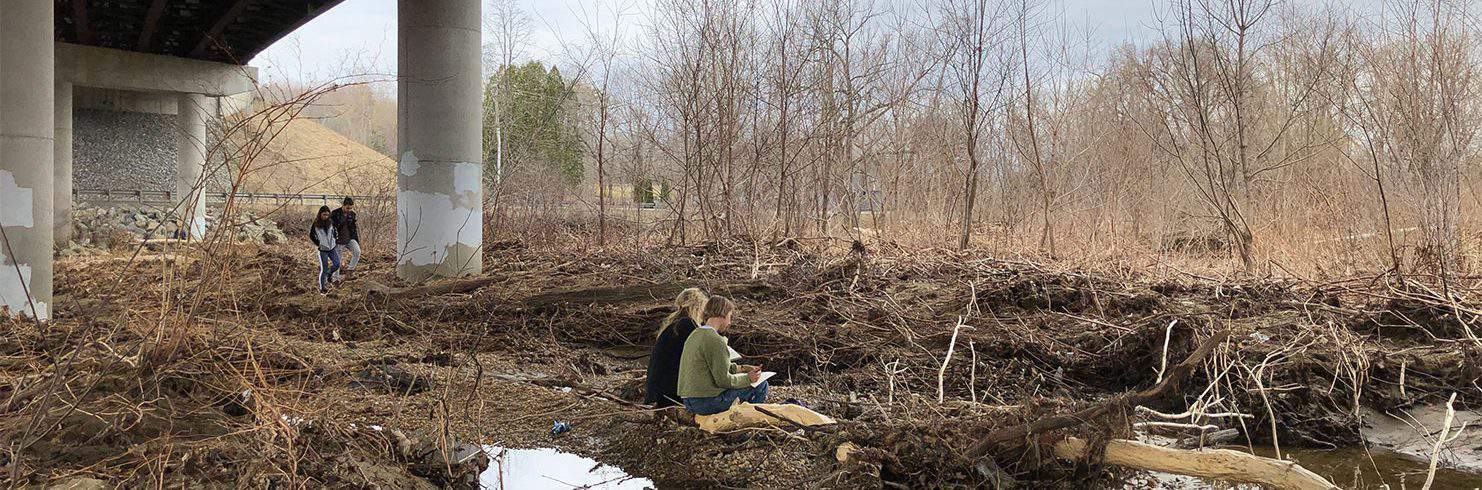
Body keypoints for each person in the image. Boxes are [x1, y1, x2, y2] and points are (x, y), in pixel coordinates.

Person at [678, 295, 767, 415]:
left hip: (689, 401)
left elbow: (715, 367)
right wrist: (748, 378)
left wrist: (743, 368)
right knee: (761, 385)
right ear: (723, 314)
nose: (729, 322)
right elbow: (724, 381)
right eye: (730, 317)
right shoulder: (715, 340)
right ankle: (749, 422)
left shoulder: (695, 334)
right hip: (706, 402)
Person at [645, 288, 708, 408]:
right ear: (698, 307)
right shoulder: (687, 324)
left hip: (658, 390)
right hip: (669, 393)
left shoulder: (674, 324)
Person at [308, 206, 340, 294]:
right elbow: (311, 235)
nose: (325, 216)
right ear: (320, 214)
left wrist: (335, 238)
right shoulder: (316, 223)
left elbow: (335, 231)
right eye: (324, 214)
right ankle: (322, 288)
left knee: (337, 264)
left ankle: (329, 274)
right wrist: (318, 243)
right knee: (324, 269)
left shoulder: (331, 222)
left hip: (332, 248)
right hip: (322, 250)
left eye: (327, 214)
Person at [330, 197, 360, 280]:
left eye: (350, 208)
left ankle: (350, 271)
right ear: (343, 205)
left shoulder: (352, 214)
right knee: (337, 260)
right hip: (338, 240)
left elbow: (353, 228)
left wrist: (356, 240)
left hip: (350, 238)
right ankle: (335, 279)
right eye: (347, 208)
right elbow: (331, 228)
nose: (348, 210)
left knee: (357, 252)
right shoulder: (335, 213)